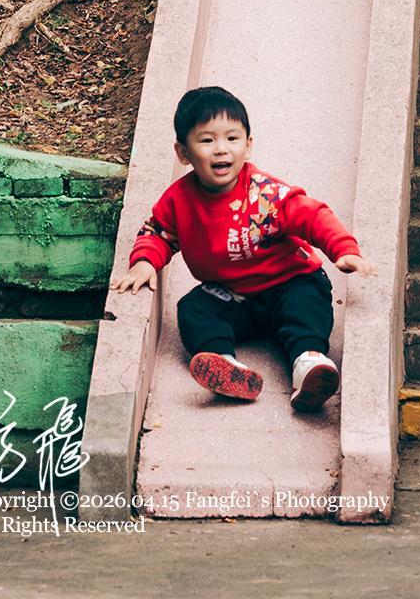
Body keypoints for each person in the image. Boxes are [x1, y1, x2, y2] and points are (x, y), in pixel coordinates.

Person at [112, 84, 371, 412]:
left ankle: (308, 362)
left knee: (305, 308)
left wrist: (343, 249)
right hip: (232, 294)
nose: (221, 149)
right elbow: (158, 233)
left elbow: (312, 215)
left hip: (289, 282)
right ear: (183, 153)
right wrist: (145, 262)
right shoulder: (179, 200)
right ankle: (224, 365)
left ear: (247, 146)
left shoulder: (265, 194)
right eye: (207, 140)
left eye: (232, 139)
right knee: (193, 309)